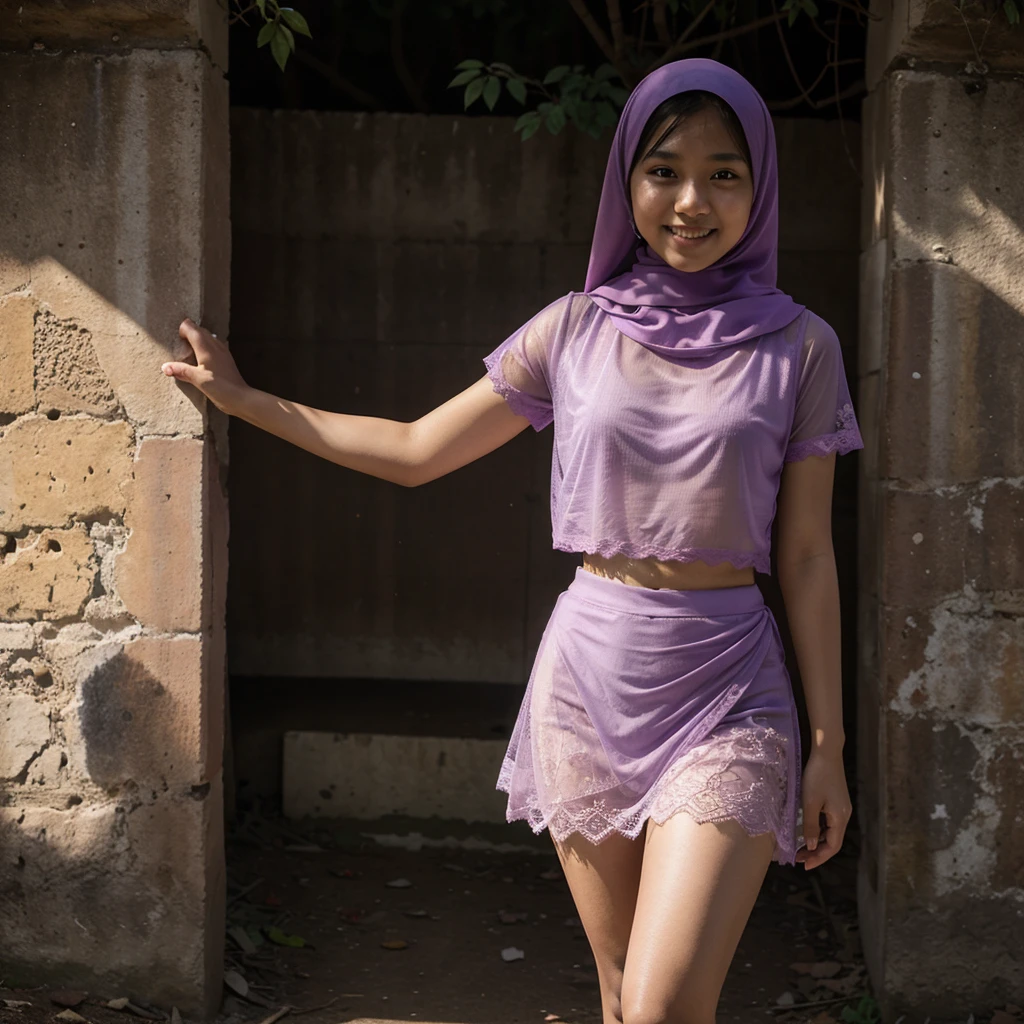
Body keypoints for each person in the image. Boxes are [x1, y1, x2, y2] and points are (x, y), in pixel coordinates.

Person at [162, 57, 862, 1024]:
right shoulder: (573, 329)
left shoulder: (802, 347)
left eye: (725, 173)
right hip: (590, 678)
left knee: (664, 1004)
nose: (691, 200)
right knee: (620, 995)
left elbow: (809, 558)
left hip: (730, 686)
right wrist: (246, 401)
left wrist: (827, 747)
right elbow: (414, 451)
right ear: (628, 183)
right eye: (664, 170)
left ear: (761, 188)